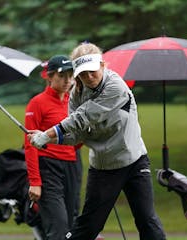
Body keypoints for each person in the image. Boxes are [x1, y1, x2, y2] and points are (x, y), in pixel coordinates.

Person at [28, 42, 166, 240]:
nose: (89, 77)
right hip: (103, 167)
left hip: (134, 160)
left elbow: (84, 117)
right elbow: (76, 135)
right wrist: (48, 140)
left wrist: (48, 133)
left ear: (102, 65)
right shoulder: (76, 94)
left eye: (93, 71)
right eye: (83, 74)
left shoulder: (116, 86)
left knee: (147, 219)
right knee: (89, 225)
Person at [24, 55, 79, 240]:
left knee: (72, 226)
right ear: (49, 76)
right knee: (59, 227)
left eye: (71, 75)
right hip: (48, 168)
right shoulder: (37, 103)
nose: (68, 80)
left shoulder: (73, 102)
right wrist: (35, 181)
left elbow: (76, 140)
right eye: (62, 76)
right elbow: (29, 145)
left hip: (71, 166)